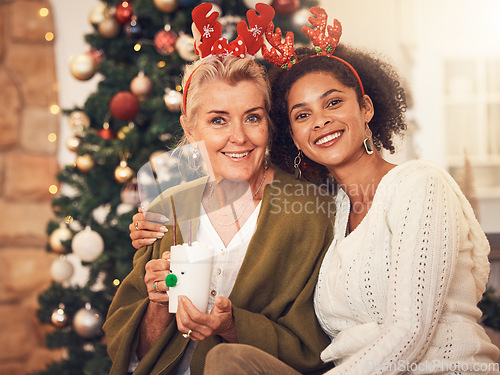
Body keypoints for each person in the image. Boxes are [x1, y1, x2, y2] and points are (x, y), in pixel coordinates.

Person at [202, 7, 500, 374]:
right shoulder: (333, 212)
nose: (321, 120)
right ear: (294, 137)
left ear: (366, 107)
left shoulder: (420, 184)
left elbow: (411, 332)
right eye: (302, 114)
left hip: (435, 368)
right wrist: (160, 222)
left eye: (333, 102)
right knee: (228, 360)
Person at [103, 5, 336, 374]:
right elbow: (132, 353)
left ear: (268, 124)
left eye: (252, 118)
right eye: (218, 120)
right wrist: (157, 305)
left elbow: (319, 346)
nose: (239, 137)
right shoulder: (169, 209)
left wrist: (232, 326)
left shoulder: (311, 213)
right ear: (191, 129)